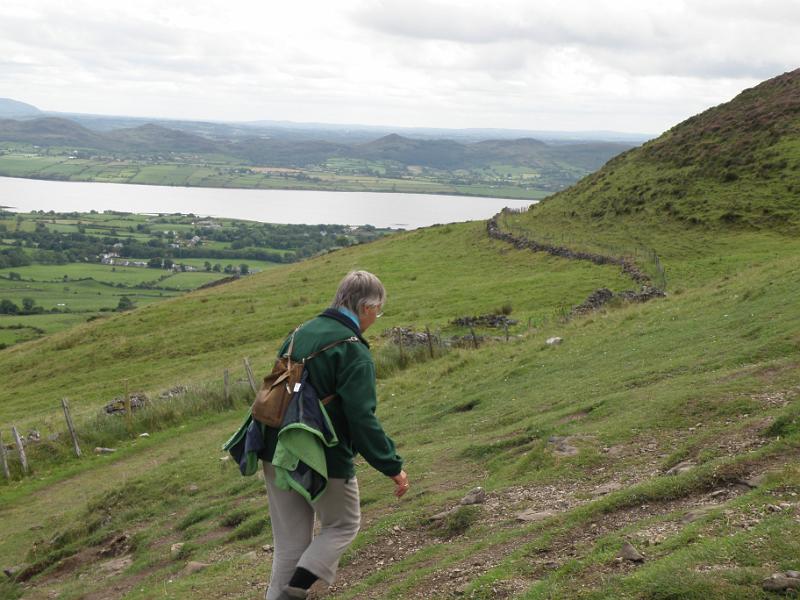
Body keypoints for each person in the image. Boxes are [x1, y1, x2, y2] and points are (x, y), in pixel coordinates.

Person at [261, 270, 409, 600]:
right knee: (342, 524)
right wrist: (392, 466)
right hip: (320, 454)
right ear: (368, 307)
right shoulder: (352, 350)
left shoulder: (300, 333)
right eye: (378, 311)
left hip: (275, 447)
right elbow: (361, 419)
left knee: (290, 546)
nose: (376, 318)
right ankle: (298, 588)